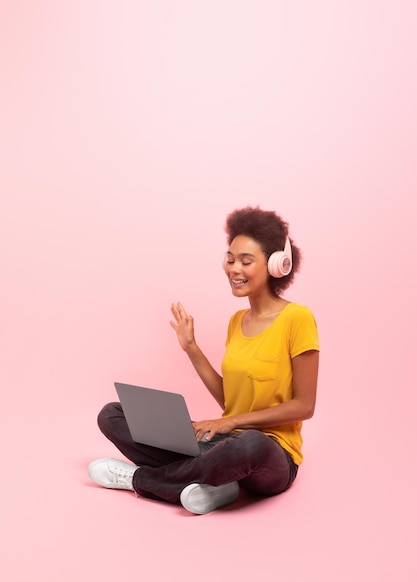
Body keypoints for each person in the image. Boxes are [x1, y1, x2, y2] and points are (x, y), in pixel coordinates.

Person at [88, 207, 320, 514]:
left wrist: (230, 422)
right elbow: (230, 399)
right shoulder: (237, 321)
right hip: (224, 447)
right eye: (230, 258)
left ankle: (138, 480)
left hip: (270, 456)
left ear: (277, 265)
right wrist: (191, 349)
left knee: (250, 444)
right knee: (112, 415)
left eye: (246, 261)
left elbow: (304, 406)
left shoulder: (298, 318)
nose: (234, 268)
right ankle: (216, 486)